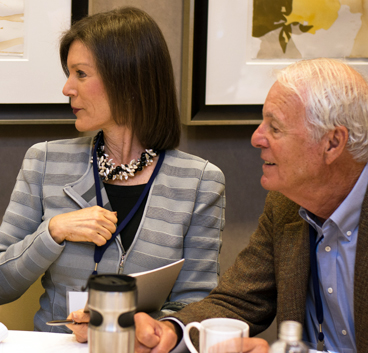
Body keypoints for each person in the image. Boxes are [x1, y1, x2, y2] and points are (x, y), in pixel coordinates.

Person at [0, 7, 225, 333]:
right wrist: (52, 231)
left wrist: (129, 326)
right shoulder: (45, 161)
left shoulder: (200, 182)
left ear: (128, 79)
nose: (67, 88)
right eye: (69, 73)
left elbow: (196, 306)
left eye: (81, 74)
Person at [125, 58, 368, 353]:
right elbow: (239, 300)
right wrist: (171, 330)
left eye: (275, 128)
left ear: (332, 143)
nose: (256, 138)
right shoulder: (286, 204)